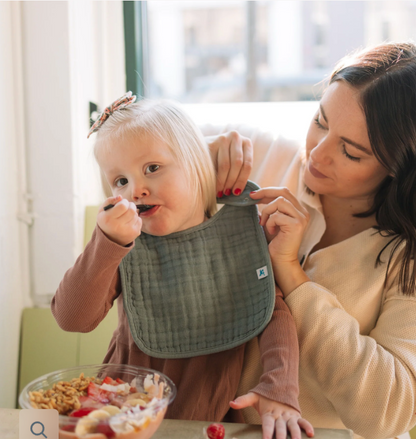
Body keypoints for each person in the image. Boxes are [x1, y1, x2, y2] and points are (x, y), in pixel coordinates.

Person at [51, 96, 314, 439]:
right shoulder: (122, 245)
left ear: (196, 166)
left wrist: (278, 389)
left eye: (152, 168)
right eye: (120, 181)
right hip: (121, 415)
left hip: (208, 422)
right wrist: (105, 241)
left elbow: (273, 315)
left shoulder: (239, 233)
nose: (136, 190)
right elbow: (73, 318)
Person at [206, 41, 416, 439]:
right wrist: (192, 159)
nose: (317, 154)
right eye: (320, 120)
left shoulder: (406, 255)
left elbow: (388, 413)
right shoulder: (267, 158)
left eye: (351, 152)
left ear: (398, 166)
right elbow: (119, 156)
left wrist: (293, 278)